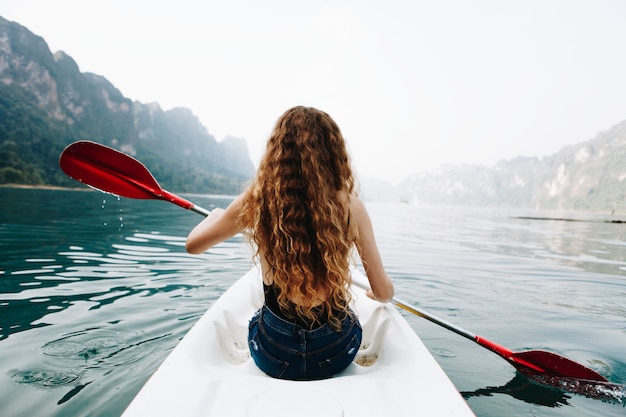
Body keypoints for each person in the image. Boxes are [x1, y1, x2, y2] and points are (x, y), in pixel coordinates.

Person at [186, 106, 394, 380]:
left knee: (260, 318)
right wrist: (375, 295)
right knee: (347, 318)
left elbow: (193, 245)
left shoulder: (256, 202)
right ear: (332, 154)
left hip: (275, 353)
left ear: (277, 154)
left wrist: (214, 217)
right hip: (334, 353)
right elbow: (383, 292)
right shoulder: (351, 207)